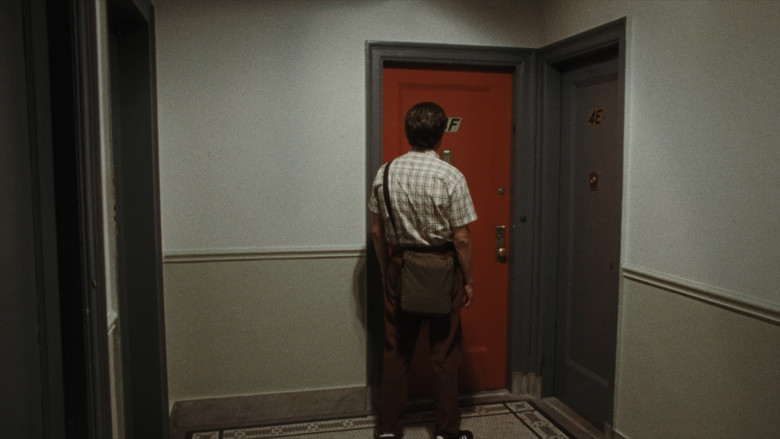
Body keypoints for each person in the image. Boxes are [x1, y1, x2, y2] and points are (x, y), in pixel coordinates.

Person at [368, 102, 477, 439]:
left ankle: (388, 431)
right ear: (440, 134)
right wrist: (468, 281)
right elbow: (461, 238)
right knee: (444, 354)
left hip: (400, 266)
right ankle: (446, 432)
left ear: (408, 132)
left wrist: (387, 271)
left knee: (396, 351)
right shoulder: (451, 176)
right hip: (442, 269)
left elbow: (377, 232)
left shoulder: (385, 173)